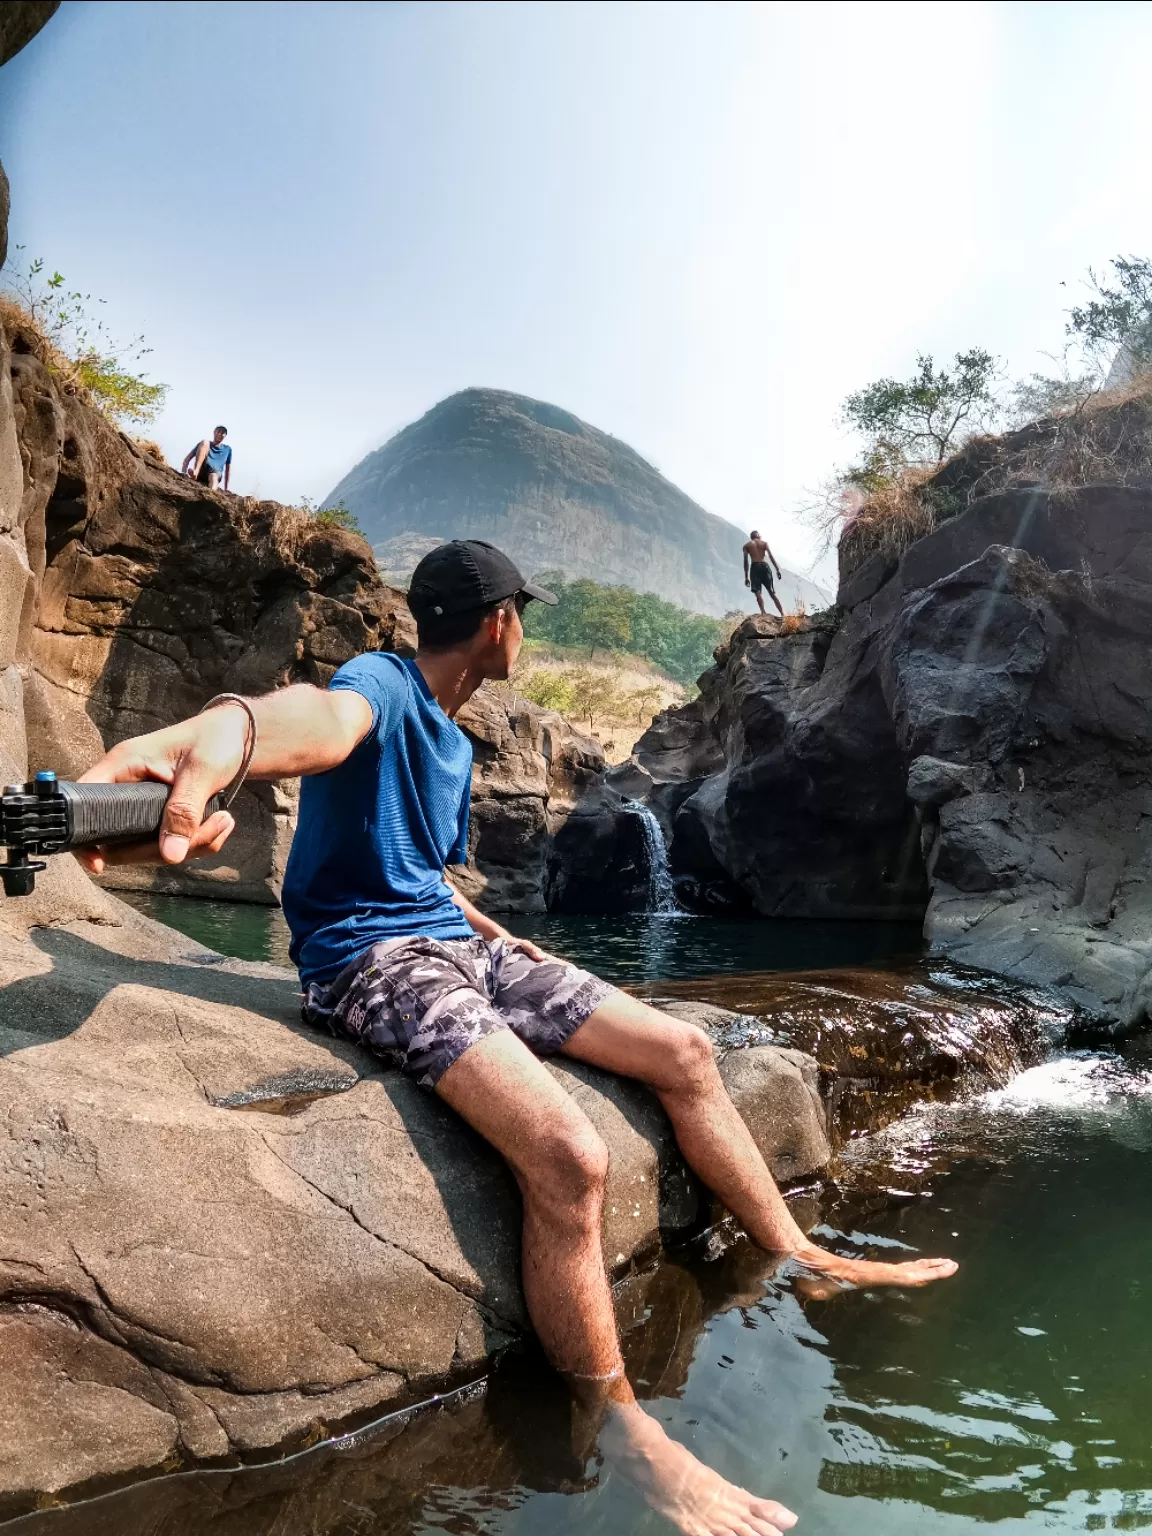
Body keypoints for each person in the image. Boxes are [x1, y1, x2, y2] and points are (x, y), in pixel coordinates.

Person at [74, 538, 957, 1536]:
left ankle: (798, 1248)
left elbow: (428, 873)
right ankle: (622, 1427)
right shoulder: (384, 684)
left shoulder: (454, 741)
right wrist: (227, 729)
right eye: (523, 616)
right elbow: (318, 721)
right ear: (500, 622)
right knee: (570, 1156)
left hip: (461, 945)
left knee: (688, 1053)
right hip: (375, 961)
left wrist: (499, 937)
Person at [744, 529, 784, 617]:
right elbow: (771, 556)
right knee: (772, 592)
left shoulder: (747, 545)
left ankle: (763, 612)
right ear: (758, 536)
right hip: (765, 566)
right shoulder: (764, 543)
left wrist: (746, 577)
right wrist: (777, 569)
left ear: (751, 537)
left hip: (755, 567)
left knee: (758, 592)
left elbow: (746, 562)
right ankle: (782, 614)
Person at [181, 425, 232, 491]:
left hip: (215, 472)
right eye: (218, 431)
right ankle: (195, 473)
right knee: (204, 442)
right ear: (214, 432)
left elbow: (228, 470)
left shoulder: (227, 449)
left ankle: (211, 493)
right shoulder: (205, 444)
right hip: (202, 469)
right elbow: (187, 459)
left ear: (225, 436)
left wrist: (226, 488)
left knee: (213, 477)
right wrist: (183, 472)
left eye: (222, 433)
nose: (220, 434)